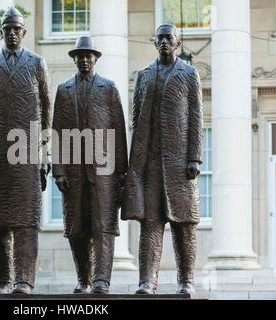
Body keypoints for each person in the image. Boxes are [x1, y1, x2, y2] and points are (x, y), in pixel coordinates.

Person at [122, 24, 203, 295]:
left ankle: (185, 280)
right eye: (160, 38)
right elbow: (134, 121)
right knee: (150, 225)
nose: (164, 42)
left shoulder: (189, 74)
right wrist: (135, 165)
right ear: (154, 42)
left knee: (184, 226)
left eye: (169, 38)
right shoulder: (143, 75)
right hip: (151, 164)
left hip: (180, 164)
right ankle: (147, 281)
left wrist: (195, 158)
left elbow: (196, 118)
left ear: (178, 43)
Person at [0, 7, 51, 294]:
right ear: (1, 32)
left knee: (27, 221)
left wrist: (46, 155)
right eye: (6, 28)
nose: (11, 33)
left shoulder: (36, 63)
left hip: (29, 152)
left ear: (23, 32)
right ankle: (4, 279)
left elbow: (47, 109)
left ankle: (24, 281)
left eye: (16, 29)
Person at [52, 36, 128, 294]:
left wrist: (121, 171)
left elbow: (118, 131)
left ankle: (101, 281)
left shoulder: (108, 88)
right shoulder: (63, 90)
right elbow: (57, 133)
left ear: (95, 58)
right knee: (76, 229)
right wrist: (59, 170)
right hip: (73, 173)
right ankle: (83, 279)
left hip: (103, 172)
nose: (84, 60)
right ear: (74, 58)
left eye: (88, 56)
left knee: (103, 228)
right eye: (80, 56)